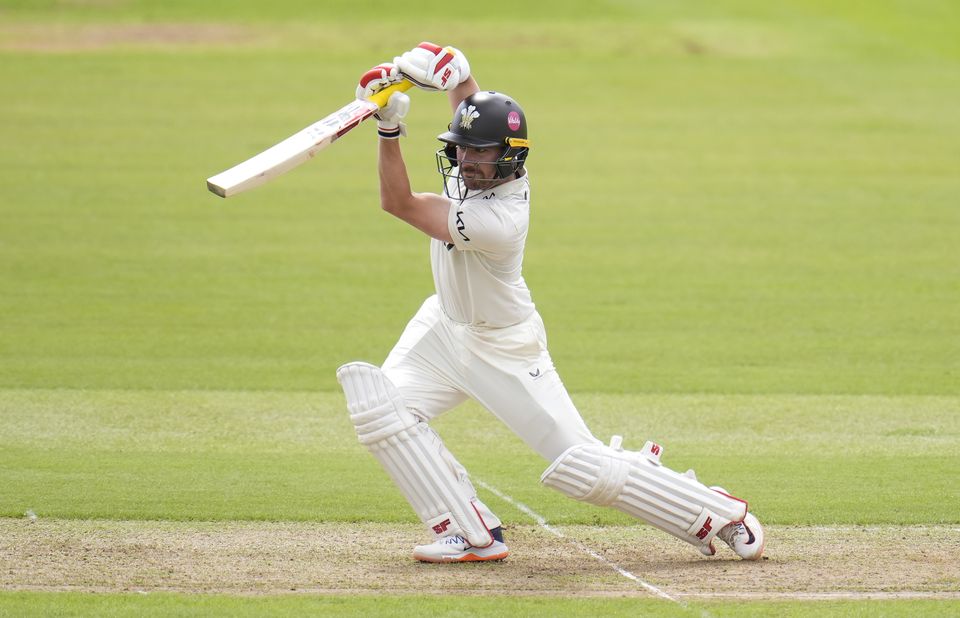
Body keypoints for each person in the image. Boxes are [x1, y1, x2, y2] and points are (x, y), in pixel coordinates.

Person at [336, 42, 765, 563]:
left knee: (582, 468)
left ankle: (716, 509)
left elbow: (397, 202)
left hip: (504, 346)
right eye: (461, 148)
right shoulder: (481, 161)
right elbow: (475, 111)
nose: (467, 161)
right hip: (443, 328)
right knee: (381, 408)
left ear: (509, 156)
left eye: (479, 153)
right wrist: (457, 73)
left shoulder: (500, 220)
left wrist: (387, 129)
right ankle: (471, 534)